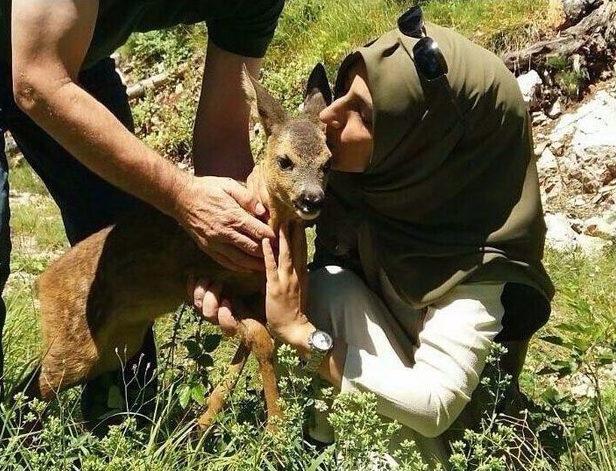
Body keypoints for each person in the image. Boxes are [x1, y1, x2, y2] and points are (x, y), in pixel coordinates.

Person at [190, 6, 554, 467]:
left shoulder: (479, 261)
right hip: (372, 403)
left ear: (420, 139)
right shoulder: (374, 187)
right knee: (329, 284)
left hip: (449, 444)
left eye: (361, 109)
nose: (332, 116)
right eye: (343, 95)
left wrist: (300, 334)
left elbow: (433, 407)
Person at [0, 0, 284, 451]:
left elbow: (222, 138)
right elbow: (38, 82)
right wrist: (181, 196)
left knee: (129, 238)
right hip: (1, 48)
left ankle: (121, 434)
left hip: (75, 58)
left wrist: (229, 249)